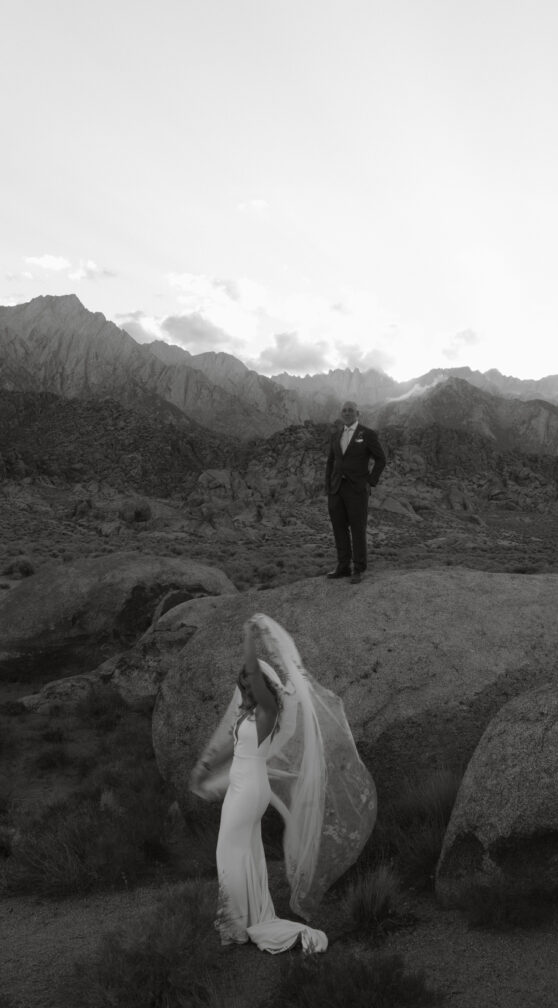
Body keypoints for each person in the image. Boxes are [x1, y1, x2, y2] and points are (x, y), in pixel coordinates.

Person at [190, 614, 377, 954]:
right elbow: (235, 746)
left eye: (249, 683)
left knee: (229, 851)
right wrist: (205, 768)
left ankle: (235, 921)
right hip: (240, 786)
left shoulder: (268, 712)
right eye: (242, 684)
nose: (244, 687)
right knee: (242, 851)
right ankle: (241, 918)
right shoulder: (248, 714)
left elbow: (253, 672)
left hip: (250, 790)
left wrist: (249, 638)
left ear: (262, 685)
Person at [325, 400, 386, 583]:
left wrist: (370, 481)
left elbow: (381, 459)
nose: (347, 413)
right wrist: (328, 486)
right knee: (339, 528)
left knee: (358, 529)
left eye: (351, 410)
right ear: (341, 413)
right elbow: (331, 462)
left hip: (357, 489)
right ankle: (343, 566)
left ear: (358, 413)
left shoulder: (367, 434)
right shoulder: (336, 434)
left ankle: (358, 568)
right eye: (344, 410)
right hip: (337, 489)